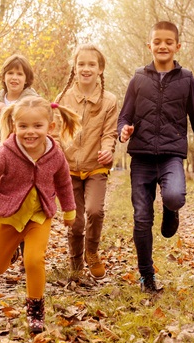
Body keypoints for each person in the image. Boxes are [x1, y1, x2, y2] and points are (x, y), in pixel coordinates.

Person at [0, 96, 81, 333]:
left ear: (50, 127)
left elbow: (63, 183)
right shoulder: (5, 153)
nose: (30, 132)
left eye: (37, 126)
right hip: (11, 217)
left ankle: (35, 311)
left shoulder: (55, 154)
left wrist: (69, 210)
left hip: (39, 215)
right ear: (14, 126)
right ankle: (10, 252)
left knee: (34, 260)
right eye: (23, 126)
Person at [117, 21, 194, 293]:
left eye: (168, 42)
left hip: (171, 155)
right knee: (141, 217)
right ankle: (146, 276)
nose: (163, 46)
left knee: (174, 195)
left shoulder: (186, 79)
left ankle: (171, 211)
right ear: (149, 45)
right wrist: (123, 131)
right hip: (140, 156)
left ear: (177, 46)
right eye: (157, 42)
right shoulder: (138, 77)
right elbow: (125, 115)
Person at [54, 44, 119, 281]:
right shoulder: (62, 99)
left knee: (94, 210)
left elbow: (109, 133)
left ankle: (91, 252)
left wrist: (107, 150)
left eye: (92, 64)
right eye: (81, 64)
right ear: (74, 67)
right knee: (76, 219)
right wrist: (57, 155)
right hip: (68, 168)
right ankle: (75, 263)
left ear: (100, 69)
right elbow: (54, 132)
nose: (86, 68)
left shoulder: (109, 101)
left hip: (96, 167)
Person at [0, 54, 39, 266]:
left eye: (19, 74)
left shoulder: (32, 101)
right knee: (5, 202)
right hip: (2, 159)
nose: (14, 78)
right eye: (10, 73)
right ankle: (11, 245)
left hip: (26, 160)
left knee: (25, 203)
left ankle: (27, 252)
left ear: (26, 79)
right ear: (4, 77)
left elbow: (37, 123)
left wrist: (10, 111)